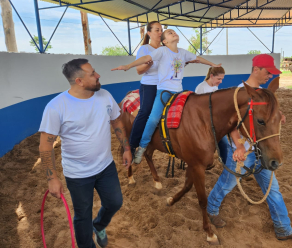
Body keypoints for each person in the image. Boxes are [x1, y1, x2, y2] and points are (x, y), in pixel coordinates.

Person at [207, 54, 292, 243]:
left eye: (272, 73)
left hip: (260, 150)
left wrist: (278, 114)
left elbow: (264, 115)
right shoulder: (239, 93)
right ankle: (211, 210)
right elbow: (230, 123)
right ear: (256, 69)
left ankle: (284, 229)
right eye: (268, 72)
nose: (270, 76)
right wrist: (238, 145)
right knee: (227, 184)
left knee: (273, 189)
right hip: (243, 151)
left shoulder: (263, 93)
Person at [39, 59, 132, 248]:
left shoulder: (105, 96)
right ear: (79, 81)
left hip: (105, 166)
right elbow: (45, 146)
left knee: (115, 202)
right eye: (93, 74)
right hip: (78, 174)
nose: (98, 76)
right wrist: (52, 178)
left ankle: (98, 226)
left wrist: (127, 148)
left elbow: (116, 122)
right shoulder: (56, 106)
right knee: (82, 216)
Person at [112, 29, 221, 164]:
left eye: (174, 32)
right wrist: (128, 65)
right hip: (165, 92)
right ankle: (142, 147)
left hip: (179, 92)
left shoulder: (183, 52)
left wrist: (212, 65)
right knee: (153, 119)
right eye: (170, 33)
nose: (173, 33)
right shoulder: (162, 51)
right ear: (165, 41)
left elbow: (197, 59)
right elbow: (146, 58)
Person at [129, 21, 162, 156]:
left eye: (161, 30)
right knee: (145, 111)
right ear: (149, 33)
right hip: (149, 85)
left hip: (164, 85)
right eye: (157, 30)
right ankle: (132, 144)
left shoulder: (165, 48)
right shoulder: (145, 49)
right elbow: (139, 71)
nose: (160, 32)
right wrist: (148, 64)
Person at [195, 66, 228, 164]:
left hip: (214, 122)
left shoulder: (214, 86)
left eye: (222, 79)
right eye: (219, 79)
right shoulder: (201, 88)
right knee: (222, 143)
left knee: (225, 143)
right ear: (212, 76)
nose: (221, 81)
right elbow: (198, 110)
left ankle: (226, 165)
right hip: (204, 124)